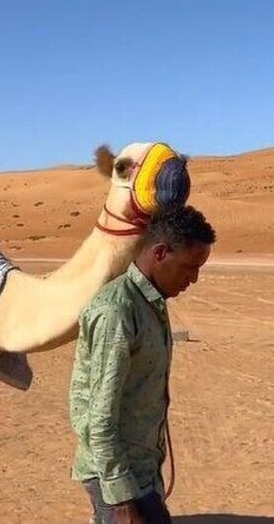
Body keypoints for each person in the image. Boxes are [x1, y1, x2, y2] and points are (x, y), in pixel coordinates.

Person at [69, 205, 216, 524]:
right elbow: (100, 417)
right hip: (116, 477)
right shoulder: (117, 311)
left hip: (142, 470)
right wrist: (122, 502)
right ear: (161, 252)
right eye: (190, 267)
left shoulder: (151, 303)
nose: (193, 279)